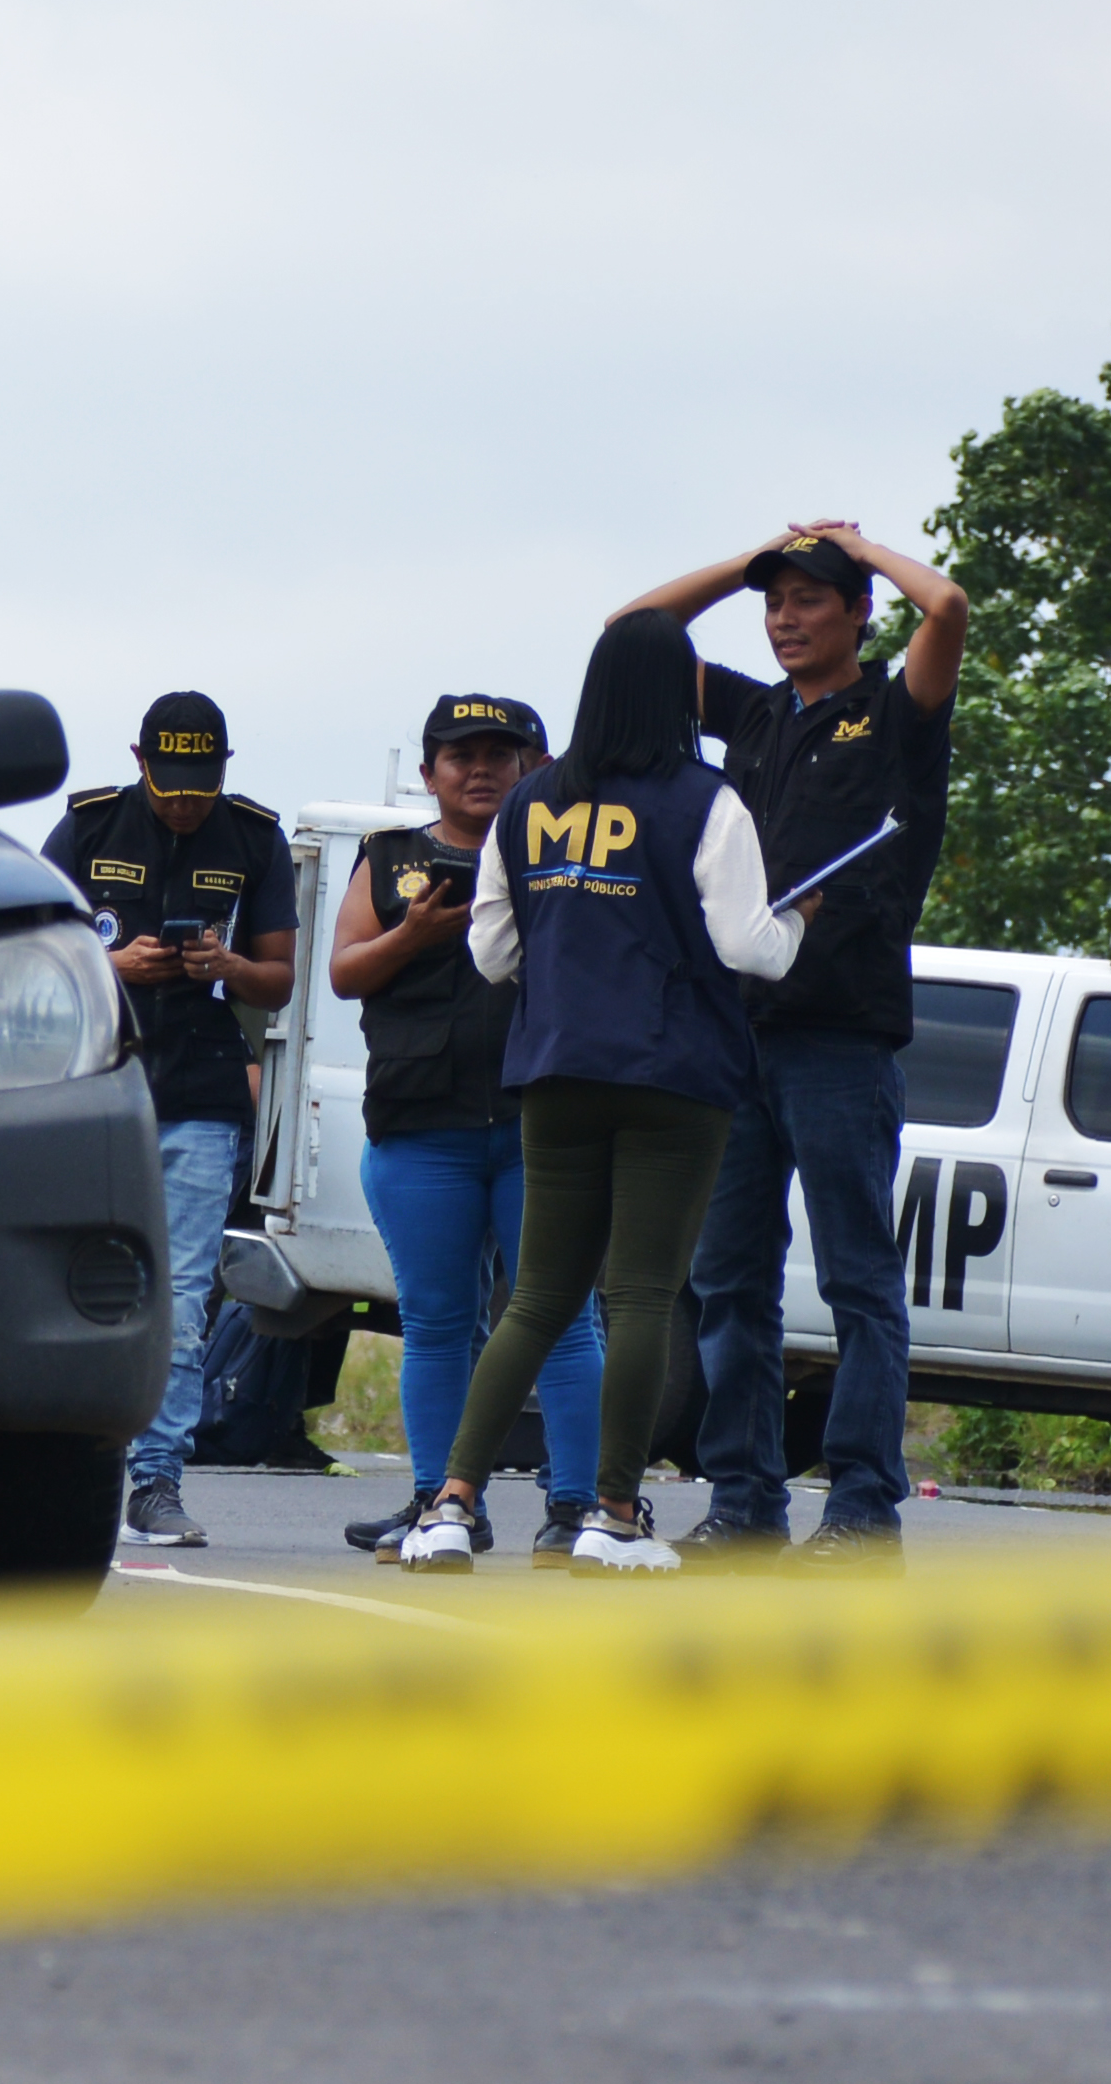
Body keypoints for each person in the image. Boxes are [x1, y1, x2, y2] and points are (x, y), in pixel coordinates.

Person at [393, 612, 805, 1576]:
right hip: (676, 1077)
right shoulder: (711, 802)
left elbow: (491, 952)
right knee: (642, 1296)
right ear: (679, 697)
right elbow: (749, 946)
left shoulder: (529, 802)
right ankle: (612, 1515)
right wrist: (797, 925)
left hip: (554, 1068)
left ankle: (449, 1504)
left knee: (534, 1296)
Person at [614, 520, 969, 1560]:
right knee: (730, 1278)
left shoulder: (894, 711)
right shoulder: (757, 713)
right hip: (737, 1034)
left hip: (841, 1040)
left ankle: (862, 1504)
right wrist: (750, 558)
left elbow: (944, 609)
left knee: (859, 1276)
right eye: (775, 602)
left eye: (810, 598)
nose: (785, 616)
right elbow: (633, 632)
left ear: (859, 611)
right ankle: (745, 1499)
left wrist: (857, 545)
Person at [326, 692, 605, 1564]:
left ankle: (576, 1507)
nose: (480, 769)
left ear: (538, 765)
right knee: (437, 1321)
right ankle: (440, 1504)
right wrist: (411, 936)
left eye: (500, 752)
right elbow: (341, 973)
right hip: (421, 1128)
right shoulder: (390, 858)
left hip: (543, 1126)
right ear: (428, 773)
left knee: (562, 1317)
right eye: (460, 754)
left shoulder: (572, 856)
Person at [42, 689, 296, 1549]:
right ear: (140, 761)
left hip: (201, 1095)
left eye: (202, 782)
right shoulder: (87, 829)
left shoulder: (255, 837)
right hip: (98, 1089)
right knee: (76, 1284)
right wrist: (113, 965)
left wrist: (224, 964)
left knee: (184, 1300)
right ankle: (56, 1468)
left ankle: (156, 1483)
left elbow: (281, 979)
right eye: (170, 780)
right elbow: (36, 950)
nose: (185, 799)